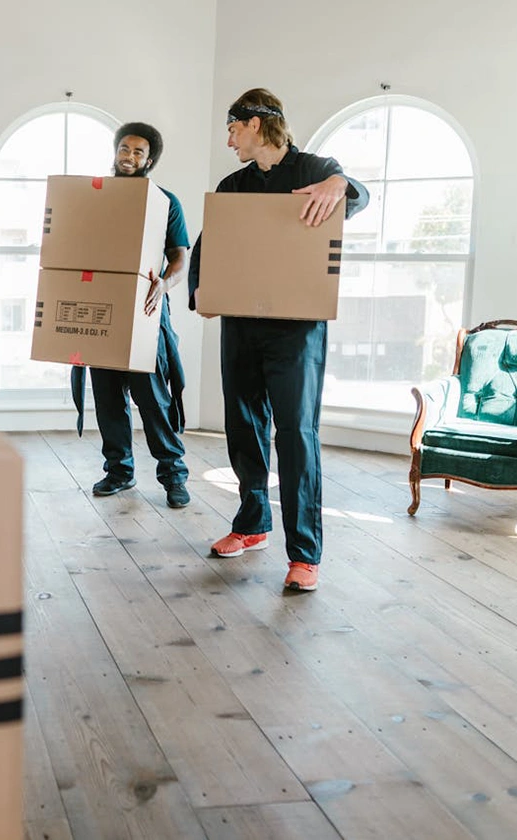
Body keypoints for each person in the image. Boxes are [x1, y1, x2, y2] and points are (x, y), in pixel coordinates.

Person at [187, 89, 369, 591]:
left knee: (296, 434)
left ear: (254, 124)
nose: (229, 141)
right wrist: (199, 289)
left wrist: (339, 182)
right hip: (241, 325)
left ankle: (305, 554)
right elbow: (208, 245)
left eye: (232, 130)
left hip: (297, 331)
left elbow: (360, 195)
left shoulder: (316, 170)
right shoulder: (232, 184)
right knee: (242, 427)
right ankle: (251, 525)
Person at [77, 122, 191, 508]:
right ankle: (119, 472)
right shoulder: (96, 196)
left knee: (154, 399)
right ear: (115, 151)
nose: (129, 156)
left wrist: (165, 285)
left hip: (144, 311)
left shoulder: (164, 201)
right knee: (108, 399)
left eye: (138, 152)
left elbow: (180, 259)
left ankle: (174, 475)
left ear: (150, 160)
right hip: (101, 309)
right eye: (124, 149)